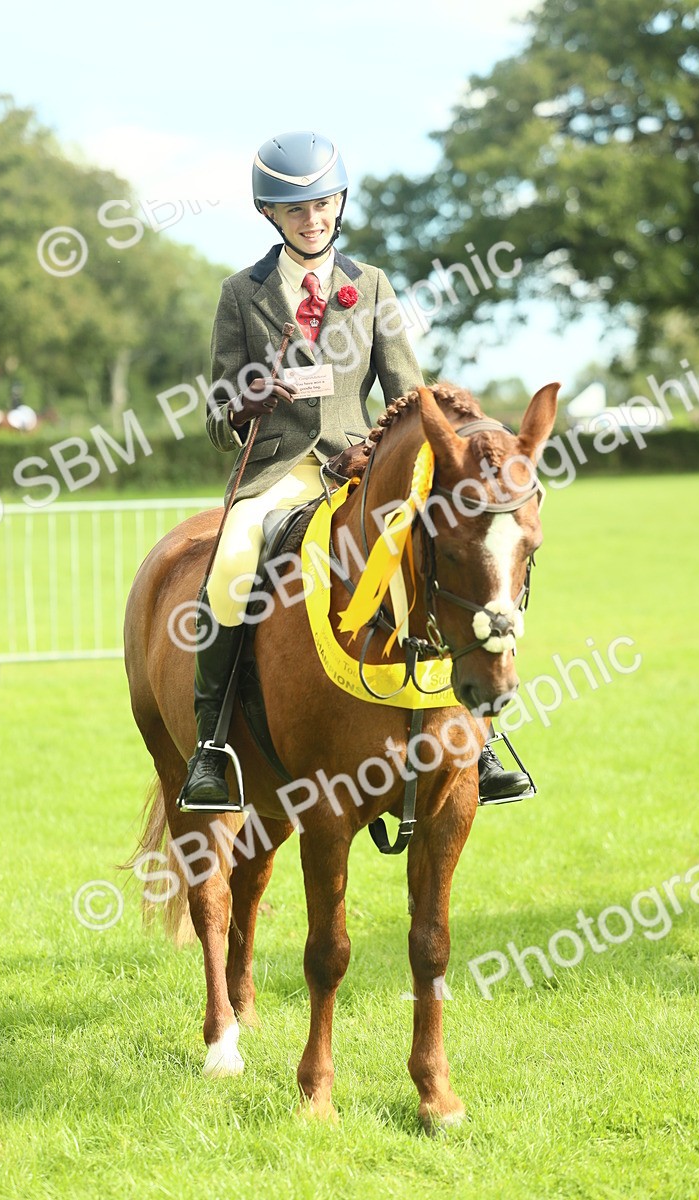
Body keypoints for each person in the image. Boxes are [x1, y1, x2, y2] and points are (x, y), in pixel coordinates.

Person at [180, 130, 529, 809]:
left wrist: (375, 447)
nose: (313, 219)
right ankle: (211, 748)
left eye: (324, 205)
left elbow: (410, 397)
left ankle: (479, 740)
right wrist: (243, 404)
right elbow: (216, 416)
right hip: (279, 471)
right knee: (229, 569)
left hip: (359, 465)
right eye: (297, 210)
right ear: (270, 216)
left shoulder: (370, 286)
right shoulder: (239, 294)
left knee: (442, 554)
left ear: (340, 204)